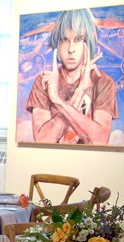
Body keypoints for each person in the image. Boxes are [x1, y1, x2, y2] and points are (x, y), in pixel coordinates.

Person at [25, 8, 116, 145]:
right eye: (64, 39)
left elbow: (100, 140)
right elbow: (43, 140)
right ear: (57, 43)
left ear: (88, 42)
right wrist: (79, 93)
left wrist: (60, 99)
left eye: (78, 39)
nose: (71, 49)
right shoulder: (44, 81)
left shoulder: (103, 82)